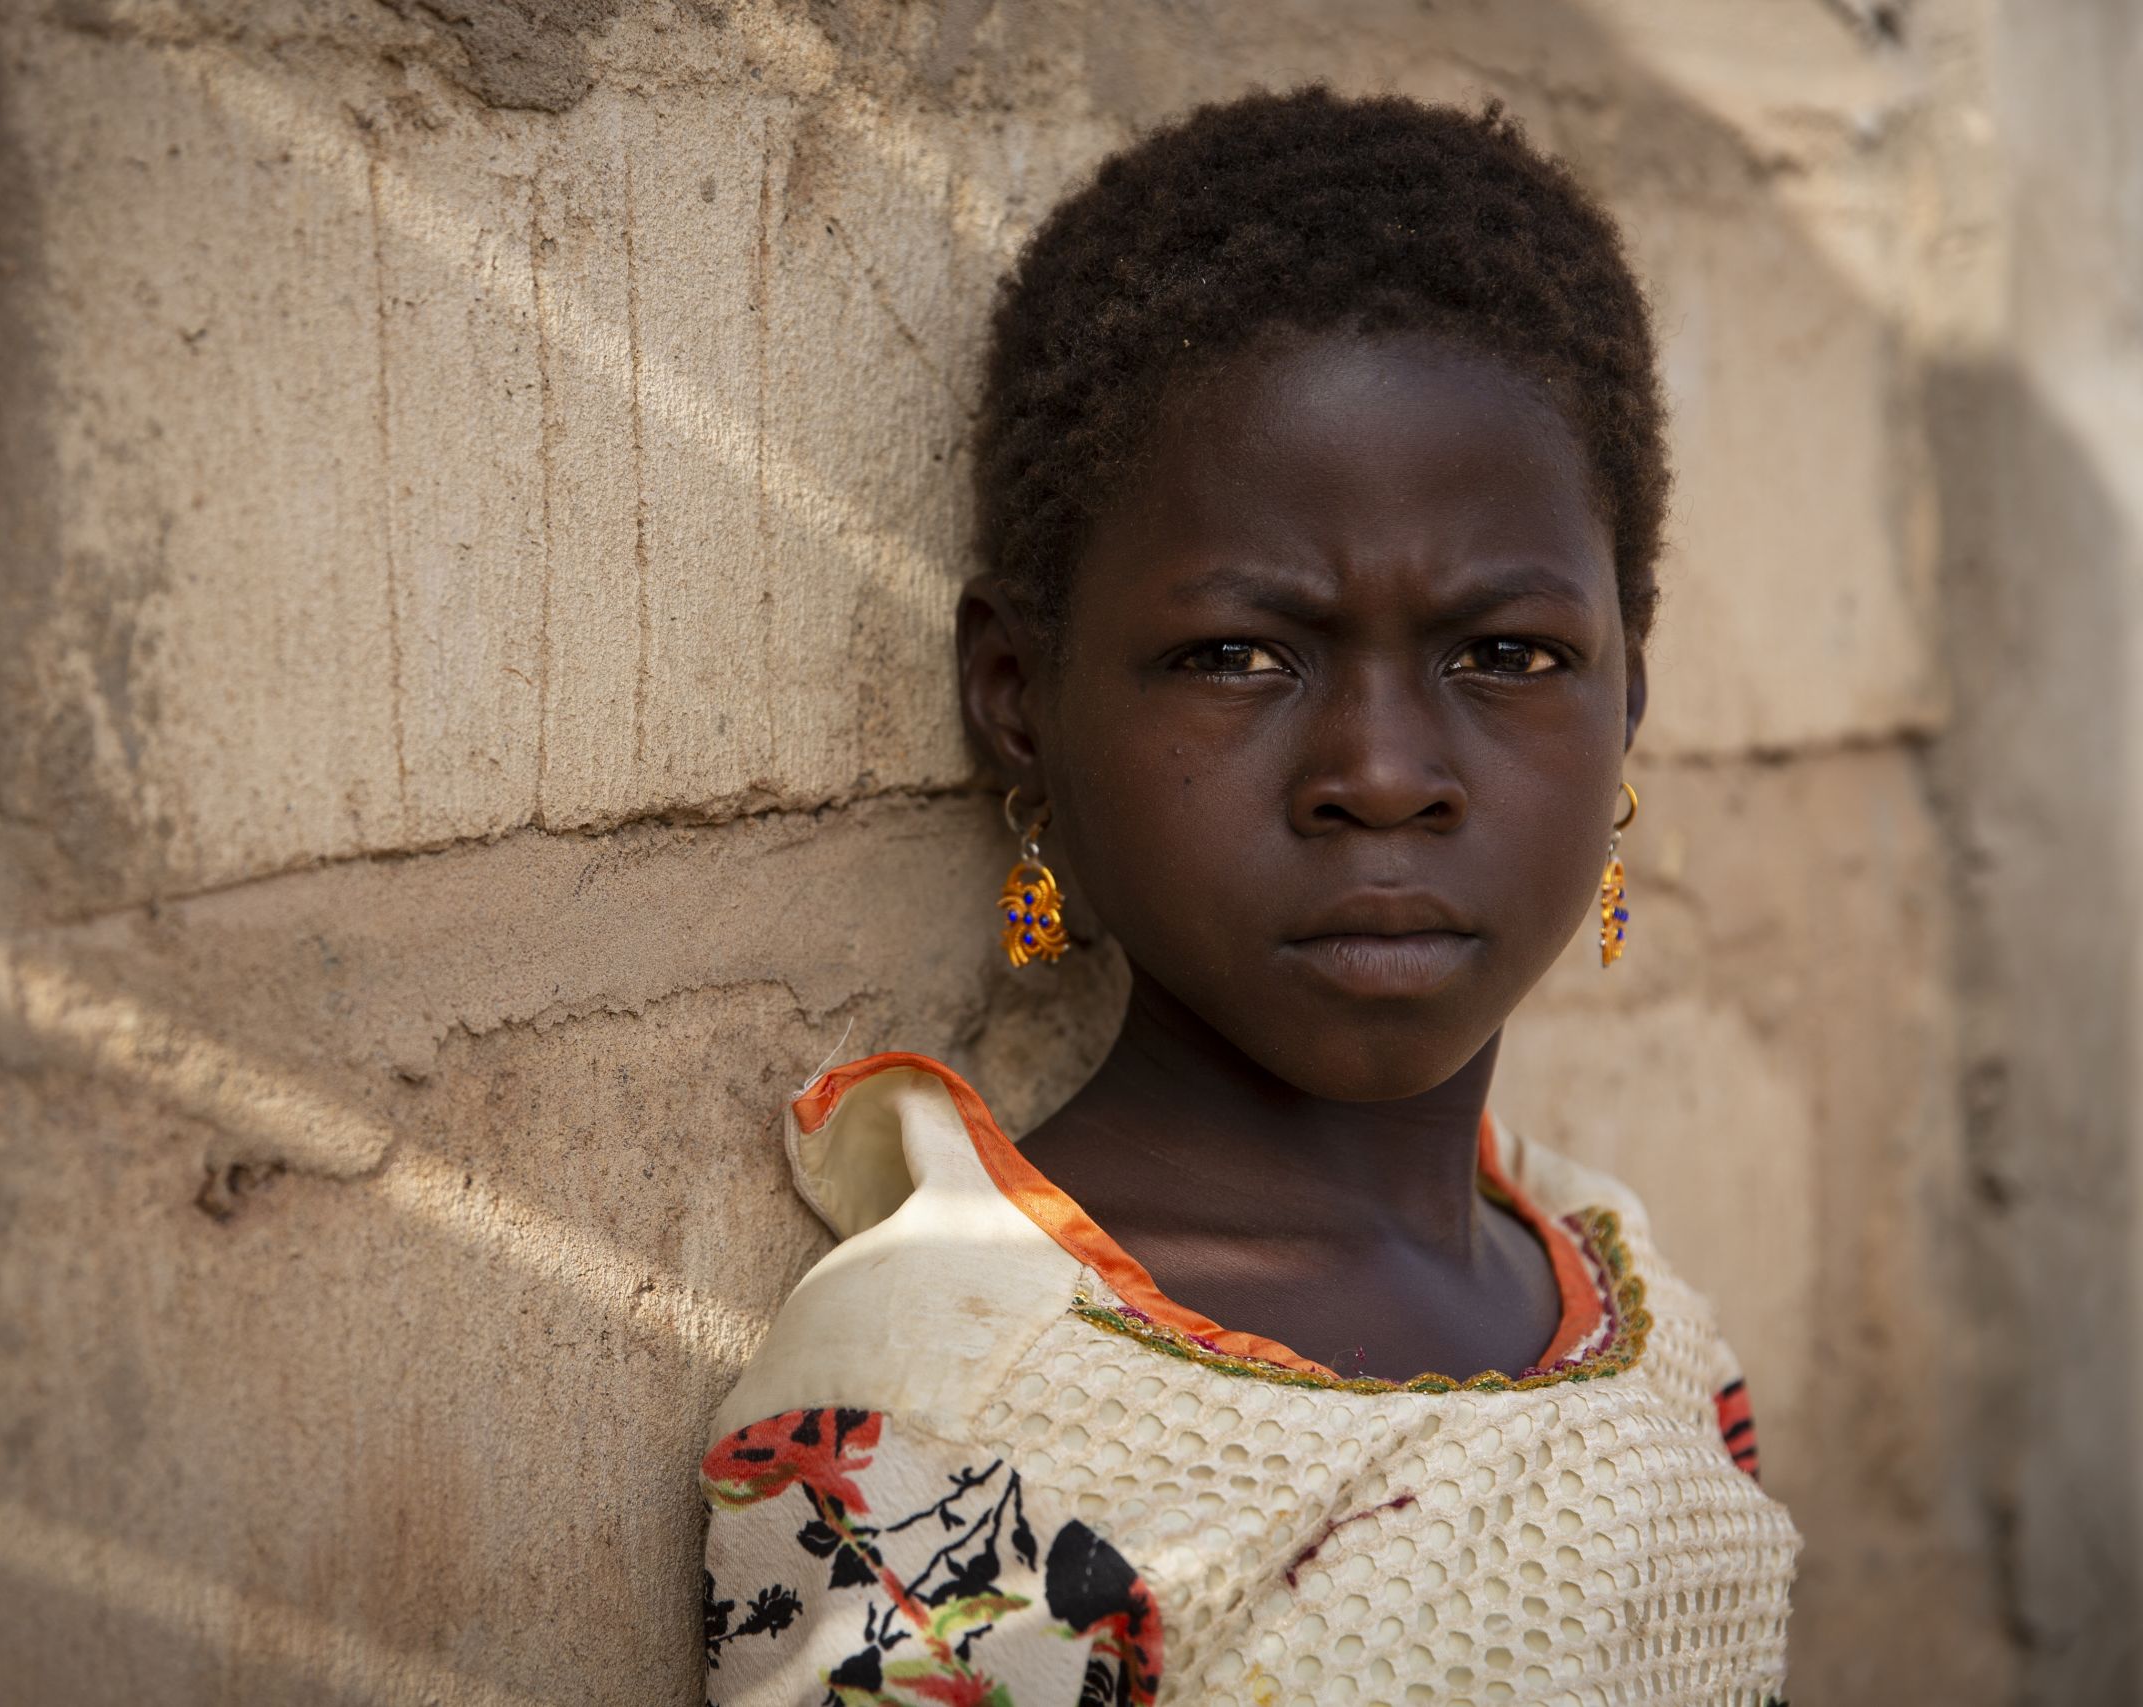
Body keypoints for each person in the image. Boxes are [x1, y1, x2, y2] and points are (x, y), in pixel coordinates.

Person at [697, 87, 1797, 1706]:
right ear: (1019, 699)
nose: (1383, 773)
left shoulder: (1634, 1309)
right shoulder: (945, 1410)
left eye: (1508, 653)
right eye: (1237, 654)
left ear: (1629, 686)